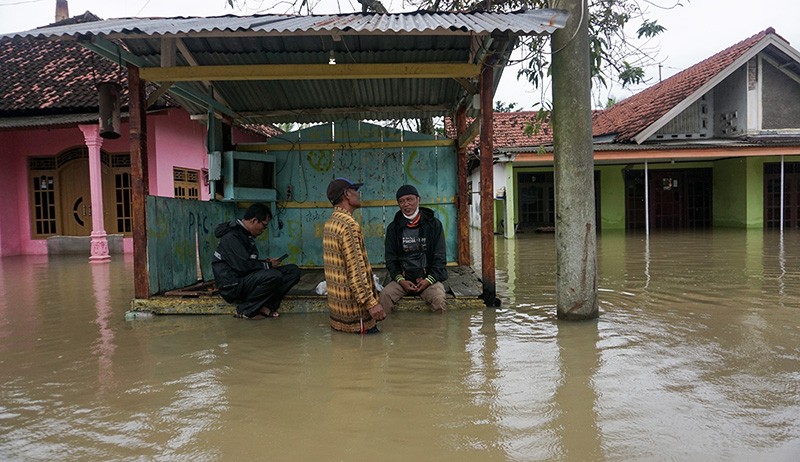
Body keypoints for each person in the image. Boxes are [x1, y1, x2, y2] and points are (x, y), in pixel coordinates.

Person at [212, 203, 301, 320]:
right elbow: (243, 266)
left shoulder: (245, 234)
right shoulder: (232, 236)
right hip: (232, 285)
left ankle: (265, 306)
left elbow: (246, 261)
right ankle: (246, 310)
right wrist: (267, 265)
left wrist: (265, 263)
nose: (264, 230)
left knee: (292, 271)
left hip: (244, 279)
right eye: (264, 226)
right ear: (254, 221)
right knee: (273, 276)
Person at [322, 178, 386, 334]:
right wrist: (371, 303)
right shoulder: (349, 225)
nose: (359, 195)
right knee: (372, 354)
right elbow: (356, 271)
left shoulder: (331, 223)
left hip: (338, 314)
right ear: (347, 194)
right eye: (355, 191)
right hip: (357, 316)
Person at [380, 184, 448, 313]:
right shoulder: (393, 228)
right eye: (401, 201)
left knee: (439, 299)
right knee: (385, 296)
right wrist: (401, 281)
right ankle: (388, 331)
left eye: (410, 199)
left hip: (428, 280)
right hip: (403, 281)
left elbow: (440, 257)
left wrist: (428, 280)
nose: (406, 204)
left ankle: (439, 332)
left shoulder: (434, 225)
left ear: (418, 200)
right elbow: (391, 259)